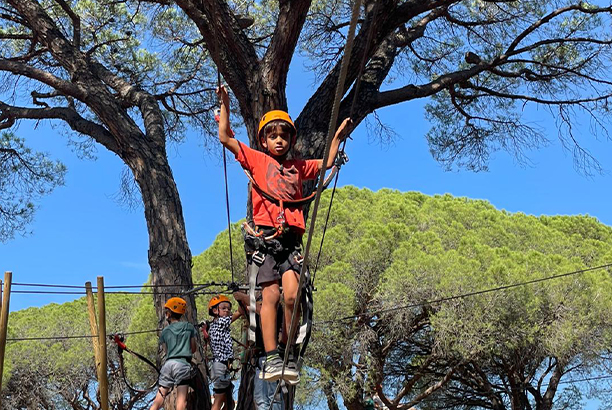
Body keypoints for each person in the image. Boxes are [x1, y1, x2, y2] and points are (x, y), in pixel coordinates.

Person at [216, 85, 352, 384]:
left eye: (284, 136)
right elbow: (226, 136)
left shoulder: (297, 167)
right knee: (272, 296)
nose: (279, 141)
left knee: (292, 295)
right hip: (266, 239)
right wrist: (225, 102)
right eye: (273, 136)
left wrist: (339, 136)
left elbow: (328, 162)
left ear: (291, 140)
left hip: (290, 241)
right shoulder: (255, 159)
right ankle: (271, 355)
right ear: (263, 140)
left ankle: (288, 353)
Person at [149, 297, 197, 410]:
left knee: (159, 398)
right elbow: (193, 348)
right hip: (182, 365)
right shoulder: (188, 327)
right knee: (181, 401)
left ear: (169, 313)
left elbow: (166, 350)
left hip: (168, 365)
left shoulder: (165, 331)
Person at [208, 294, 244, 410]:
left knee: (230, 404)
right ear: (215, 311)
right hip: (220, 366)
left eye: (228, 308)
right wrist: (242, 298)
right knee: (218, 401)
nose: (227, 311)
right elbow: (239, 313)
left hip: (222, 366)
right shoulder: (220, 322)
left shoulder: (213, 326)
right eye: (223, 308)